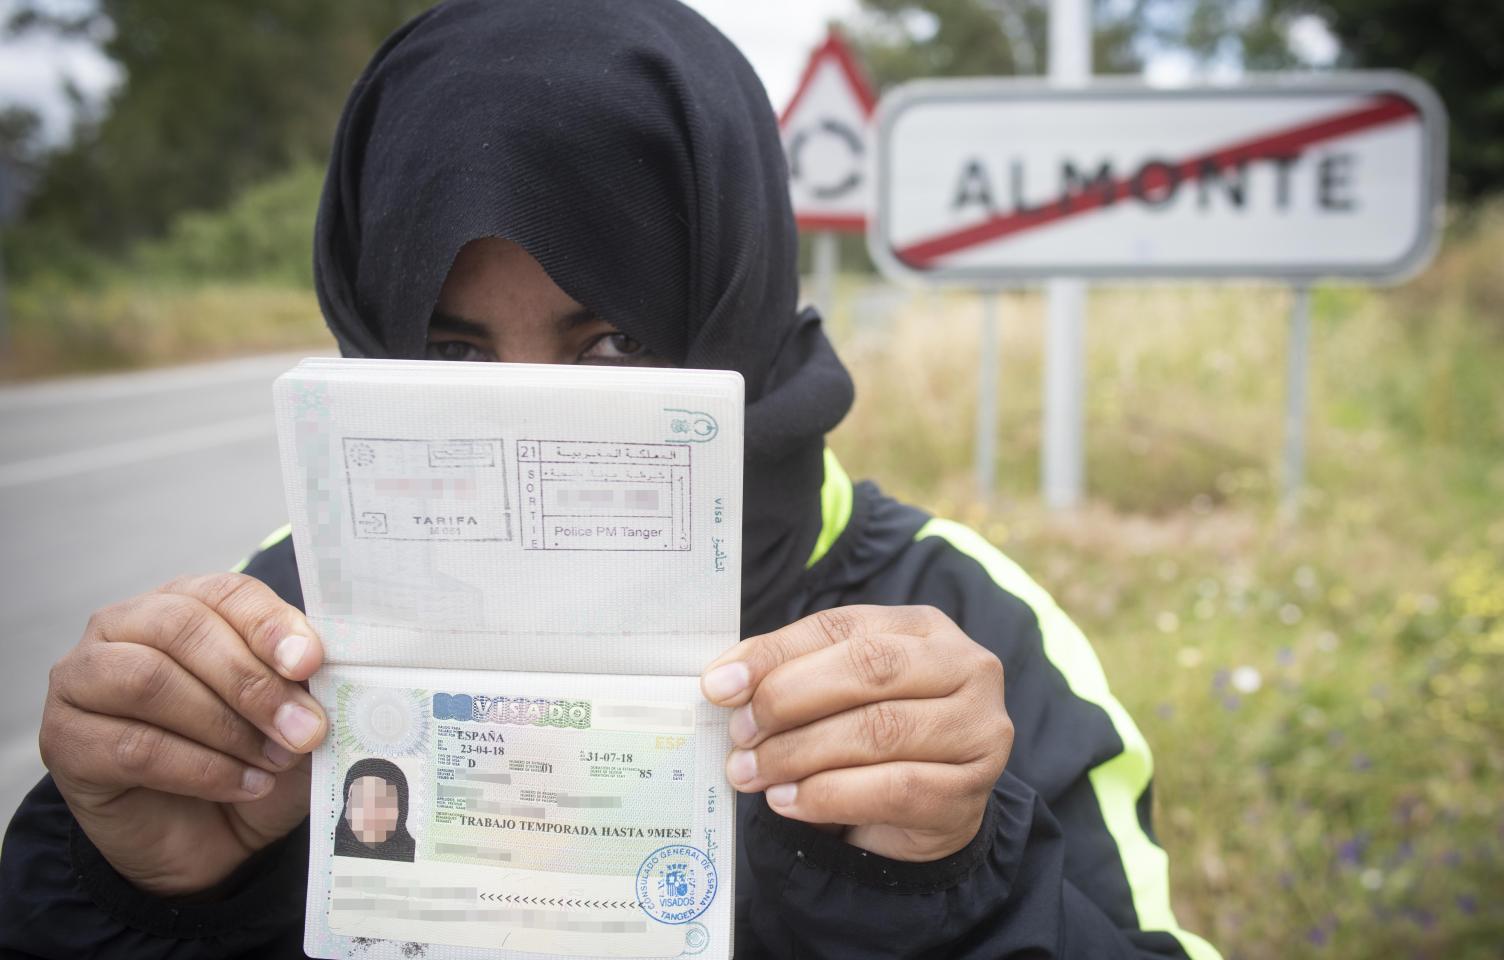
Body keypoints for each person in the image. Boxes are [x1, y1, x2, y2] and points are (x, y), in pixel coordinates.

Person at [0, 2, 1219, 958]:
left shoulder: (965, 628)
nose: (535, 423)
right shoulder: (279, 633)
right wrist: (137, 891)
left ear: (731, 307)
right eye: (447, 351)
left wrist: (950, 880)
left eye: (616, 344)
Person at [332, 759, 415, 863]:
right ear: (347, 805)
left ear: (400, 810)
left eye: (382, 803)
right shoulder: (327, 843)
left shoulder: (411, 854)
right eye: (361, 801)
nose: (370, 814)